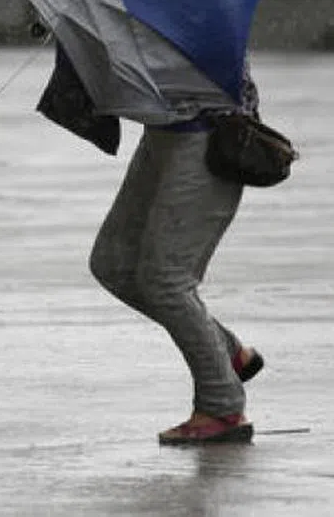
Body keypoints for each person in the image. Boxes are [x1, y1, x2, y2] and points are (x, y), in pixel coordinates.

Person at [87, 65, 265, 445]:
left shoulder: (199, 10)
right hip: (164, 132)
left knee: (166, 282)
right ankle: (230, 353)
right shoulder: (141, 5)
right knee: (113, 263)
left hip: (208, 137)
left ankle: (222, 407)